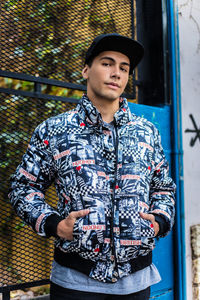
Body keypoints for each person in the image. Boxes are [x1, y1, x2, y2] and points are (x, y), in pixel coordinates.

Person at [9, 33, 176, 300]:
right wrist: (54, 224)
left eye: (124, 68)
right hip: (75, 282)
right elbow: (22, 187)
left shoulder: (147, 132)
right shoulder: (55, 130)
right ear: (86, 70)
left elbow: (163, 188)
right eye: (107, 63)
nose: (116, 73)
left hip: (137, 281)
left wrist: (159, 221)